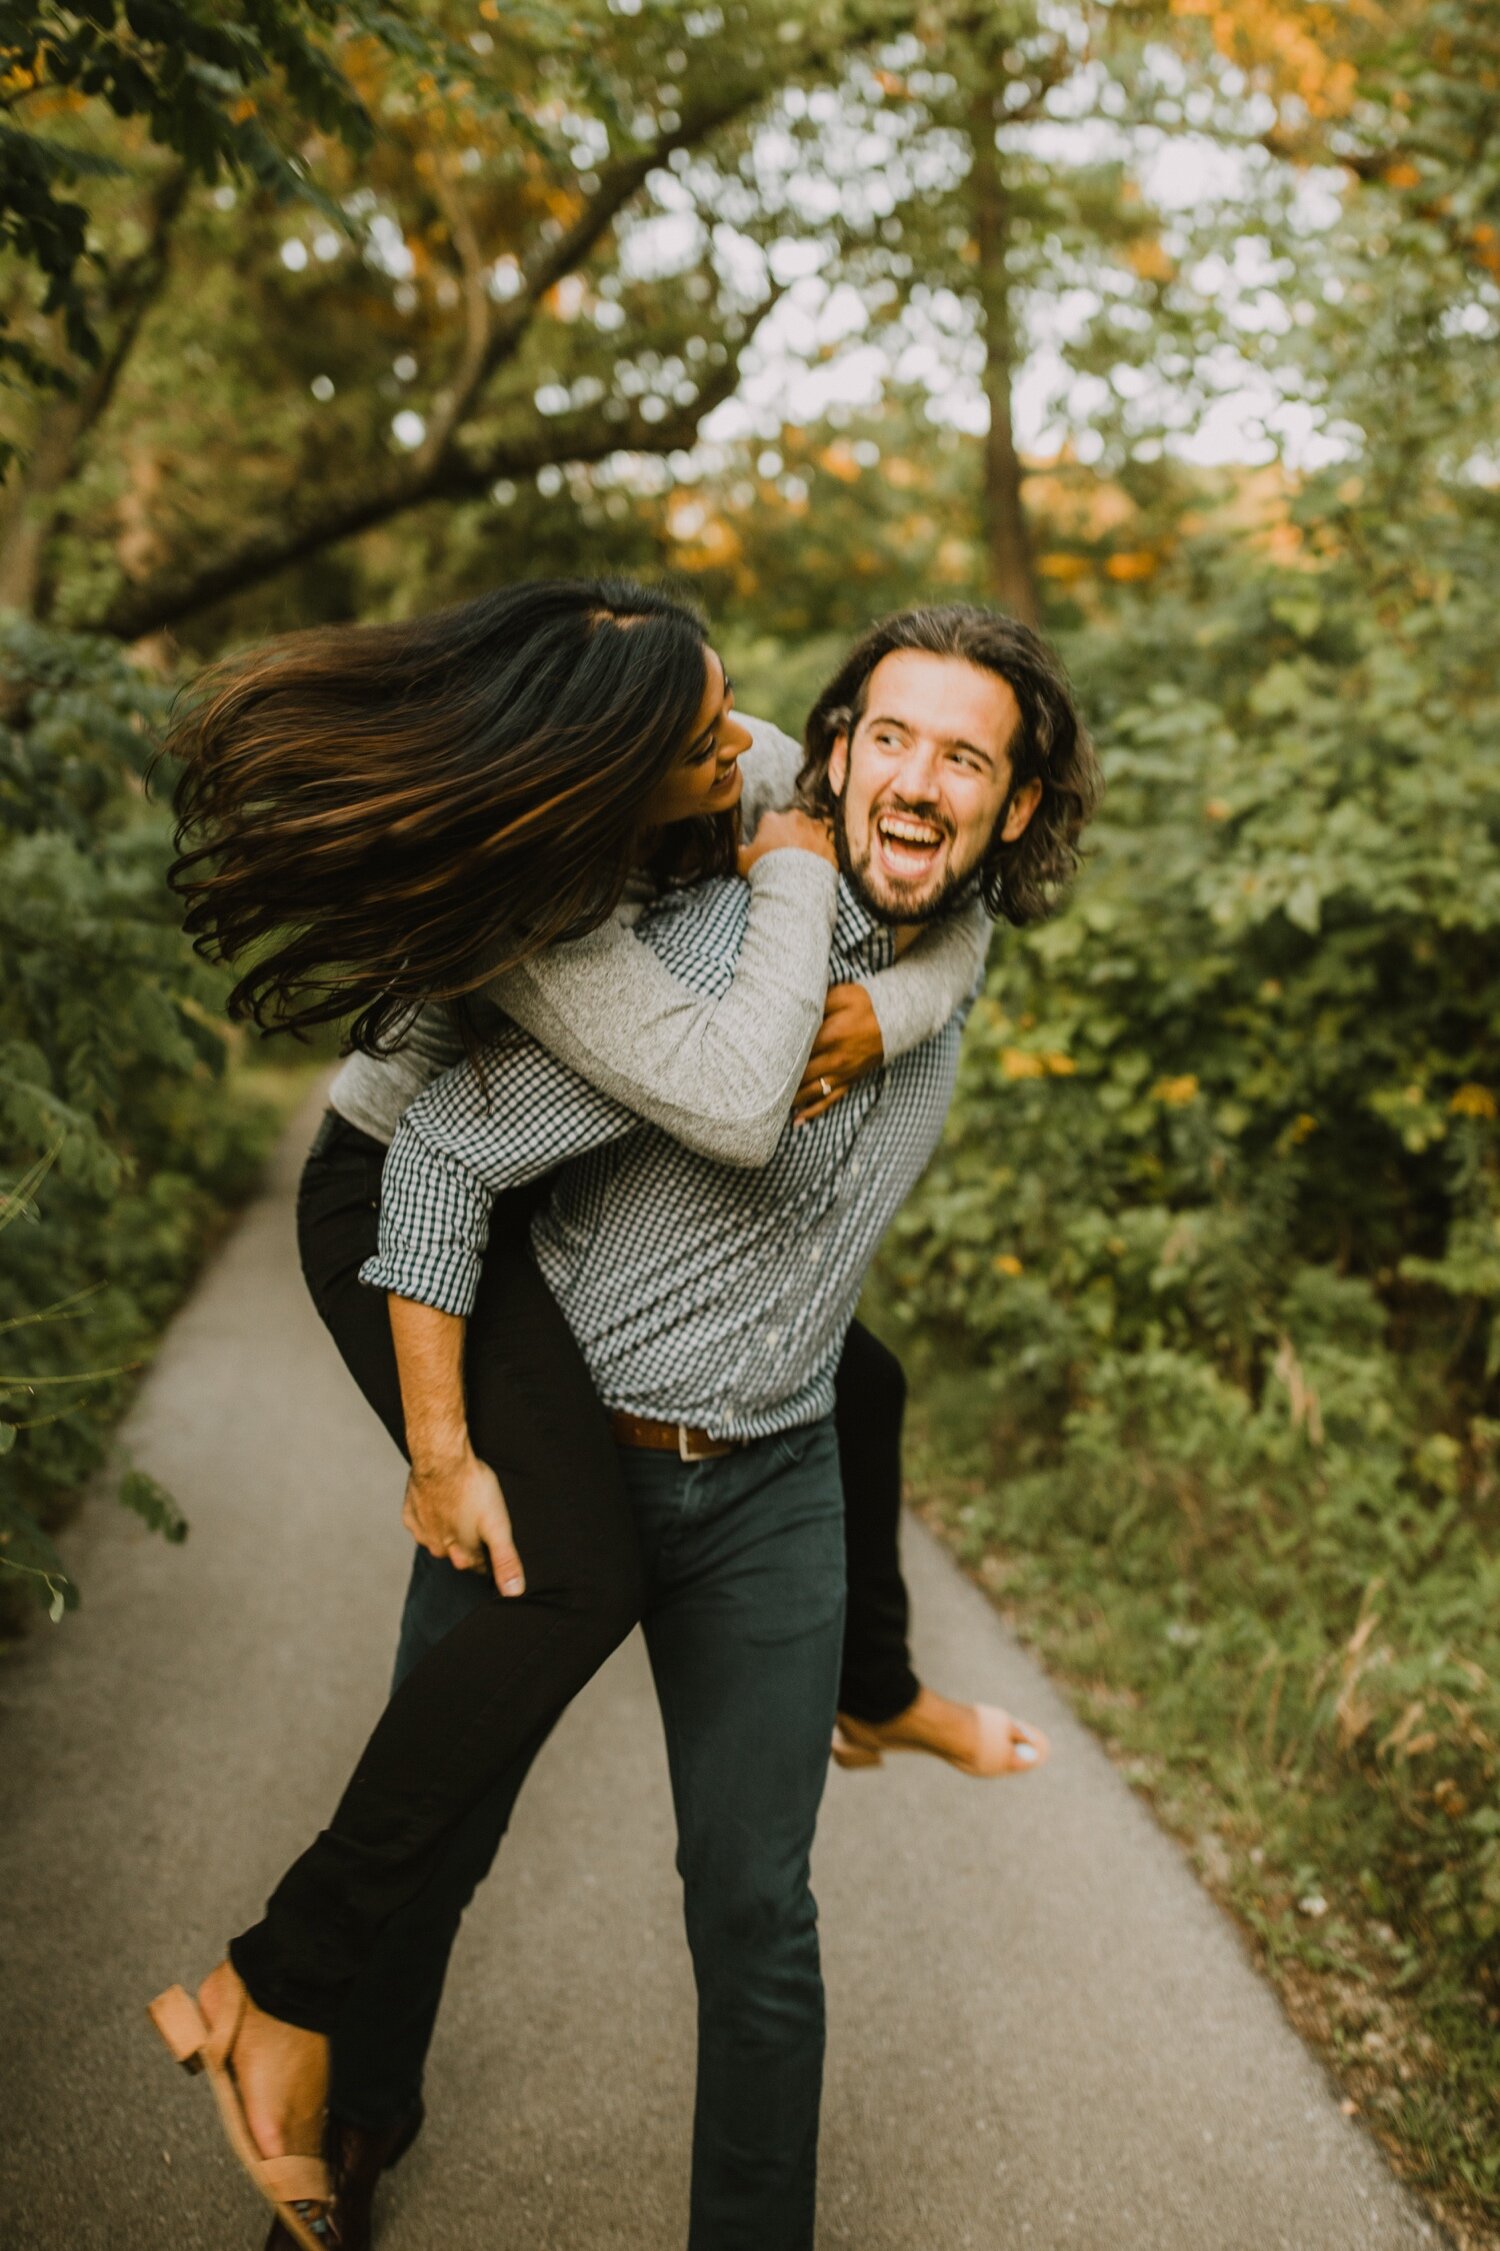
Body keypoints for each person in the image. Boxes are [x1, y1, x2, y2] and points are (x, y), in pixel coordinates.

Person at [149, 584, 1079, 2249]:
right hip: (558, 1424)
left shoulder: (928, 916)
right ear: (839, 756)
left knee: (756, 1909)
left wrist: (894, 1002)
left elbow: (944, 906)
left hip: (772, 1474)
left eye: (965, 760)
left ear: (1007, 807)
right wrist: (445, 1451)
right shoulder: (669, 957)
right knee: (440, 1830)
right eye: (892, 741)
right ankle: (346, 2109)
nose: (919, 781)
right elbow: (432, 1158)